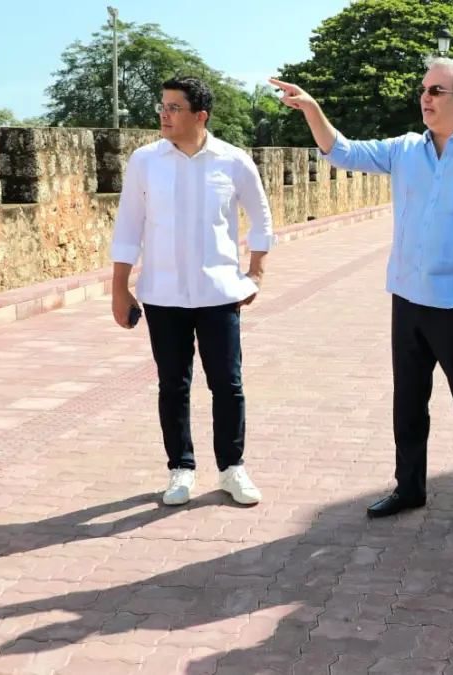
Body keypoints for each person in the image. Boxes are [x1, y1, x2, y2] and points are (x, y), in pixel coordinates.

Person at [270, 57, 453, 531]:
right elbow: (342, 152)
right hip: (408, 299)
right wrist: (312, 108)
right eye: (423, 90)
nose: (425, 98)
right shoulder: (404, 149)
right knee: (409, 402)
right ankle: (409, 487)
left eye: (436, 91)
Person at [109, 76, 274, 507]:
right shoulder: (145, 161)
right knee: (172, 385)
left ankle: (232, 468)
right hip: (162, 294)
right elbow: (128, 225)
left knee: (228, 384)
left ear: (200, 116)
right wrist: (119, 288)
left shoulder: (233, 161)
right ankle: (180, 468)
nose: (164, 115)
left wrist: (256, 274)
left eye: (174, 108)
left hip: (218, 293)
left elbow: (261, 219)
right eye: (162, 106)